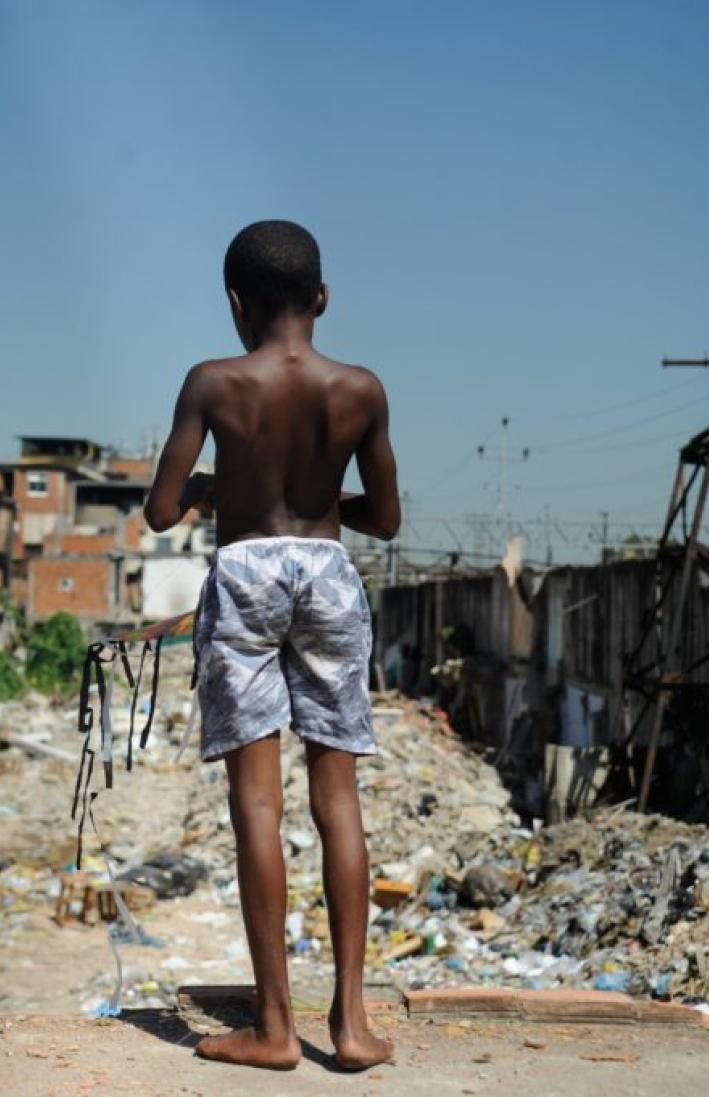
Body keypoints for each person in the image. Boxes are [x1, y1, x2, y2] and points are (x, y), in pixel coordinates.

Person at [144, 219, 402, 1072]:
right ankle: (354, 1025)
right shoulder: (361, 389)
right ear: (322, 299)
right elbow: (388, 518)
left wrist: (222, 492)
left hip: (246, 573)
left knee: (258, 801)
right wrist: (326, 510)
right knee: (339, 798)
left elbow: (160, 507)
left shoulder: (214, 382)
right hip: (329, 571)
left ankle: (275, 1027)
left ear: (235, 304)